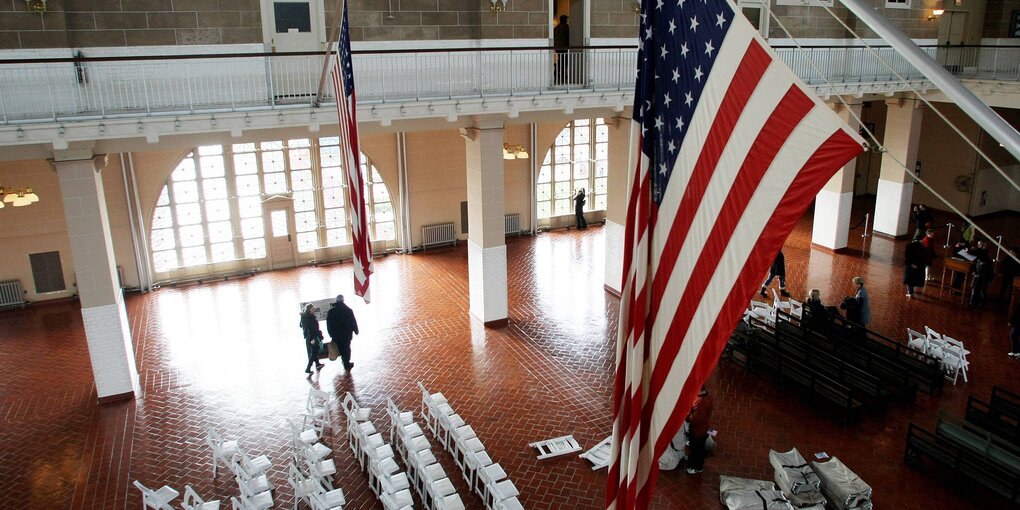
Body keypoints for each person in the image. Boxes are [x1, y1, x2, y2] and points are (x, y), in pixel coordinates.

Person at [326, 294, 359, 371]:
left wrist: (330, 333)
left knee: (339, 347)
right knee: (346, 348)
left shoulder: (331, 311)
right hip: (346, 334)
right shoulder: (348, 310)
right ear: (343, 300)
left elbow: (329, 324)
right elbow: (352, 321)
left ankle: (343, 359)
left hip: (335, 335)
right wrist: (356, 330)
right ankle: (346, 362)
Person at [686, 387, 714, 474]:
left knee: (696, 449)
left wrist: (687, 414)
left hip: (698, 431)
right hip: (704, 428)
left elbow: (694, 419)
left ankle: (694, 467)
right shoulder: (708, 397)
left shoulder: (701, 403)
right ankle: (699, 466)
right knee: (699, 449)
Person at [300, 303, 325, 374]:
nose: (314, 310)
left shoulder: (305, 316)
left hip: (311, 336)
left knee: (315, 350)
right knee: (314, 352)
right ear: (309, 309)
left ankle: (317, 364)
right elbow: (310, 329)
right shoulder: (308, 317)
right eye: (312, 309)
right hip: (312, 337)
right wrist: (313, 338)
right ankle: (308, 368)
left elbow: (302, 326)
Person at [970, 242, 994, 308]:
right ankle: (973, 302)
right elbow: (975, 265)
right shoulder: (979, 256)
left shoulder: (986, 259)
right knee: (975, 289)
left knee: (981, 291)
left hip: (983, 278)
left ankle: (980, 303)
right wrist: (974, 271)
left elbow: (988, 272)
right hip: (978, 277)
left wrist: (980, 275)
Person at [553, 15, 570, 83]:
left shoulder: (556, 28)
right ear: (564, 20)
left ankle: (557, 72)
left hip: (557, 47)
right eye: (566, 19)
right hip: (564, 47)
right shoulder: (566, 27)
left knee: (561, 60)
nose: (567, 20)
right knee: (564, 61)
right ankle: (560, 73)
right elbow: (568, 36)